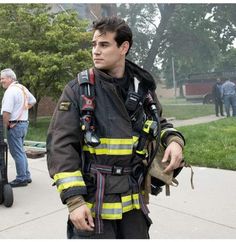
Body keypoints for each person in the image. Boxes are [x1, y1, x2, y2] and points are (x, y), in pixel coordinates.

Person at [47, 16, 185, 239]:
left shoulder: (143, 89)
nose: (96, 51)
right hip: (94, 204)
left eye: (104, 45)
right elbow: (60, 147)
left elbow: (160, 122)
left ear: (124, 47)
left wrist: (174, 141)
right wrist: (74, 201)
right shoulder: (79, 90)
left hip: (134, 204)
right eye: (94, 45)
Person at [0, 68, 36, 187]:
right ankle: (26, 175)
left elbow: (6, 112)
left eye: (2, 78)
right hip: (23, 124)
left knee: (16, 152)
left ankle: (21, 178)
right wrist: (23, 109)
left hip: (14, 125)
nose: (1, 81)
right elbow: (33, 100)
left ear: (10, 78)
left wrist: (5, 127)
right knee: (20, 151)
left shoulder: (10, 91)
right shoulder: (22, 88)